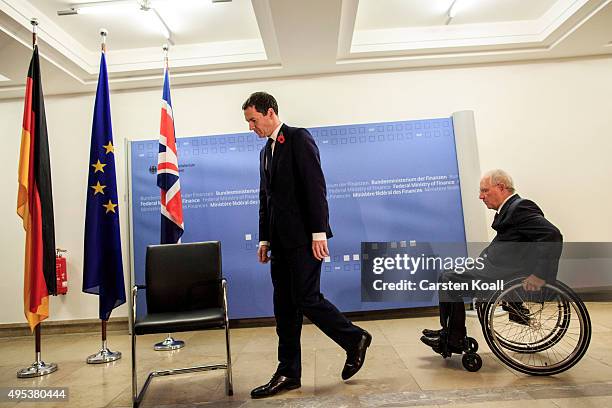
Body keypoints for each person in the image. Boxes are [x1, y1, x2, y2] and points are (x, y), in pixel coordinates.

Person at [243, 92, 372, 398]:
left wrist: (318, 233)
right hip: (279, 244)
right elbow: (266, 200)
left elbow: (315, 187)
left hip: (303, 240)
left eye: (253, 120)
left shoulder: (298, 139)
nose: (251, 127)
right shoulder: (265, 152)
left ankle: (354, 339)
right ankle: (288, 372)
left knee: (307, 298)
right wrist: (264, 238)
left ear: (270, 112)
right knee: (284, 307)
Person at [420, 169, 563, 353]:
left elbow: (552, 235)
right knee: (446, 276)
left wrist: (539, 275)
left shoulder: (520, 207)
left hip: (502, 273)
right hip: (496, 268)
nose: (481, 196)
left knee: (449, 279)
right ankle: (449, 332)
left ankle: (453, 338)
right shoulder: (511, 208)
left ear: (501, 187)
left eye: (485, 190)